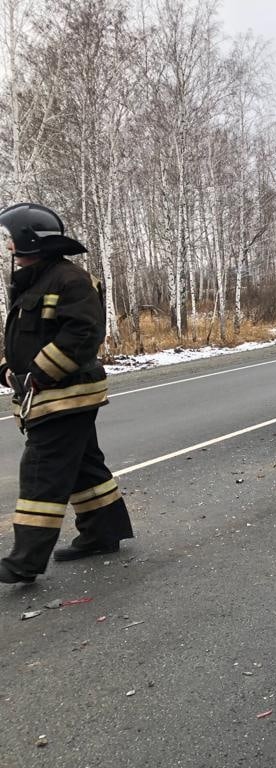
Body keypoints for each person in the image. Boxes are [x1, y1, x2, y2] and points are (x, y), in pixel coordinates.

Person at [0, 203, 133, 585]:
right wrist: (11, 369)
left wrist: (38, 374)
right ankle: (102, 533)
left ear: (29, 239)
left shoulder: (70, 280)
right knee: (85, 467)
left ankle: (24, 561)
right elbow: (32, 338)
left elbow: (82, 335)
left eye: (12, 239)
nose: (9, 248)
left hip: (64, 396)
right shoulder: (38, 280)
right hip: (51, 394)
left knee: (42, 475)